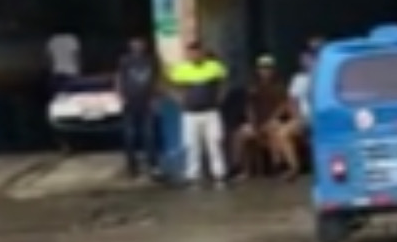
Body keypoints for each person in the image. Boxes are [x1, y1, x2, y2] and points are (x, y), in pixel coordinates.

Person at [171, 40, 227, 186]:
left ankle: (219, 173)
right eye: (192, 52)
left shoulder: (214, 67)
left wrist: (220, 98)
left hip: (210, 112)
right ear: (188, 54)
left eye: (198, 52)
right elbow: (173, 86)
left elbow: (223, 83)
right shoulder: (181, 69)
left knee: (214, 142)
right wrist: (178, 100)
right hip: (190, 113)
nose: (195, 55)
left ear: (202, 53)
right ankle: (193, 174)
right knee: (191, 145)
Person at [234, 55, 296, 179]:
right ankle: (243, 168)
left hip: (274, 121)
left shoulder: (280, 86)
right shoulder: (253, 86)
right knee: (241, 134)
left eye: (268, 68)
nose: (265, 71)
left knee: (273, 131)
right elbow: (249, 106)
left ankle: (279, 165)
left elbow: (284, 106)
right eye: (262, 68)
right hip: (257, 122)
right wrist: (251, 122)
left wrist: (272, 119)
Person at [117, 35, 158, 177]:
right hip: (130, 103)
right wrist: (121, 96)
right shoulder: (125, 60)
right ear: (130, 45)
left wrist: (155, 98)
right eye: (135, 44)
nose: (137, 46)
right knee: (130, 136)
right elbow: (119, 79)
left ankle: (152, 165)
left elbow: (156, 79)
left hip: (147, 103)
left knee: (150, 136)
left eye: (140, 43)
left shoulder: (151, 60)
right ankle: (132, 167)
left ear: (144, 45)